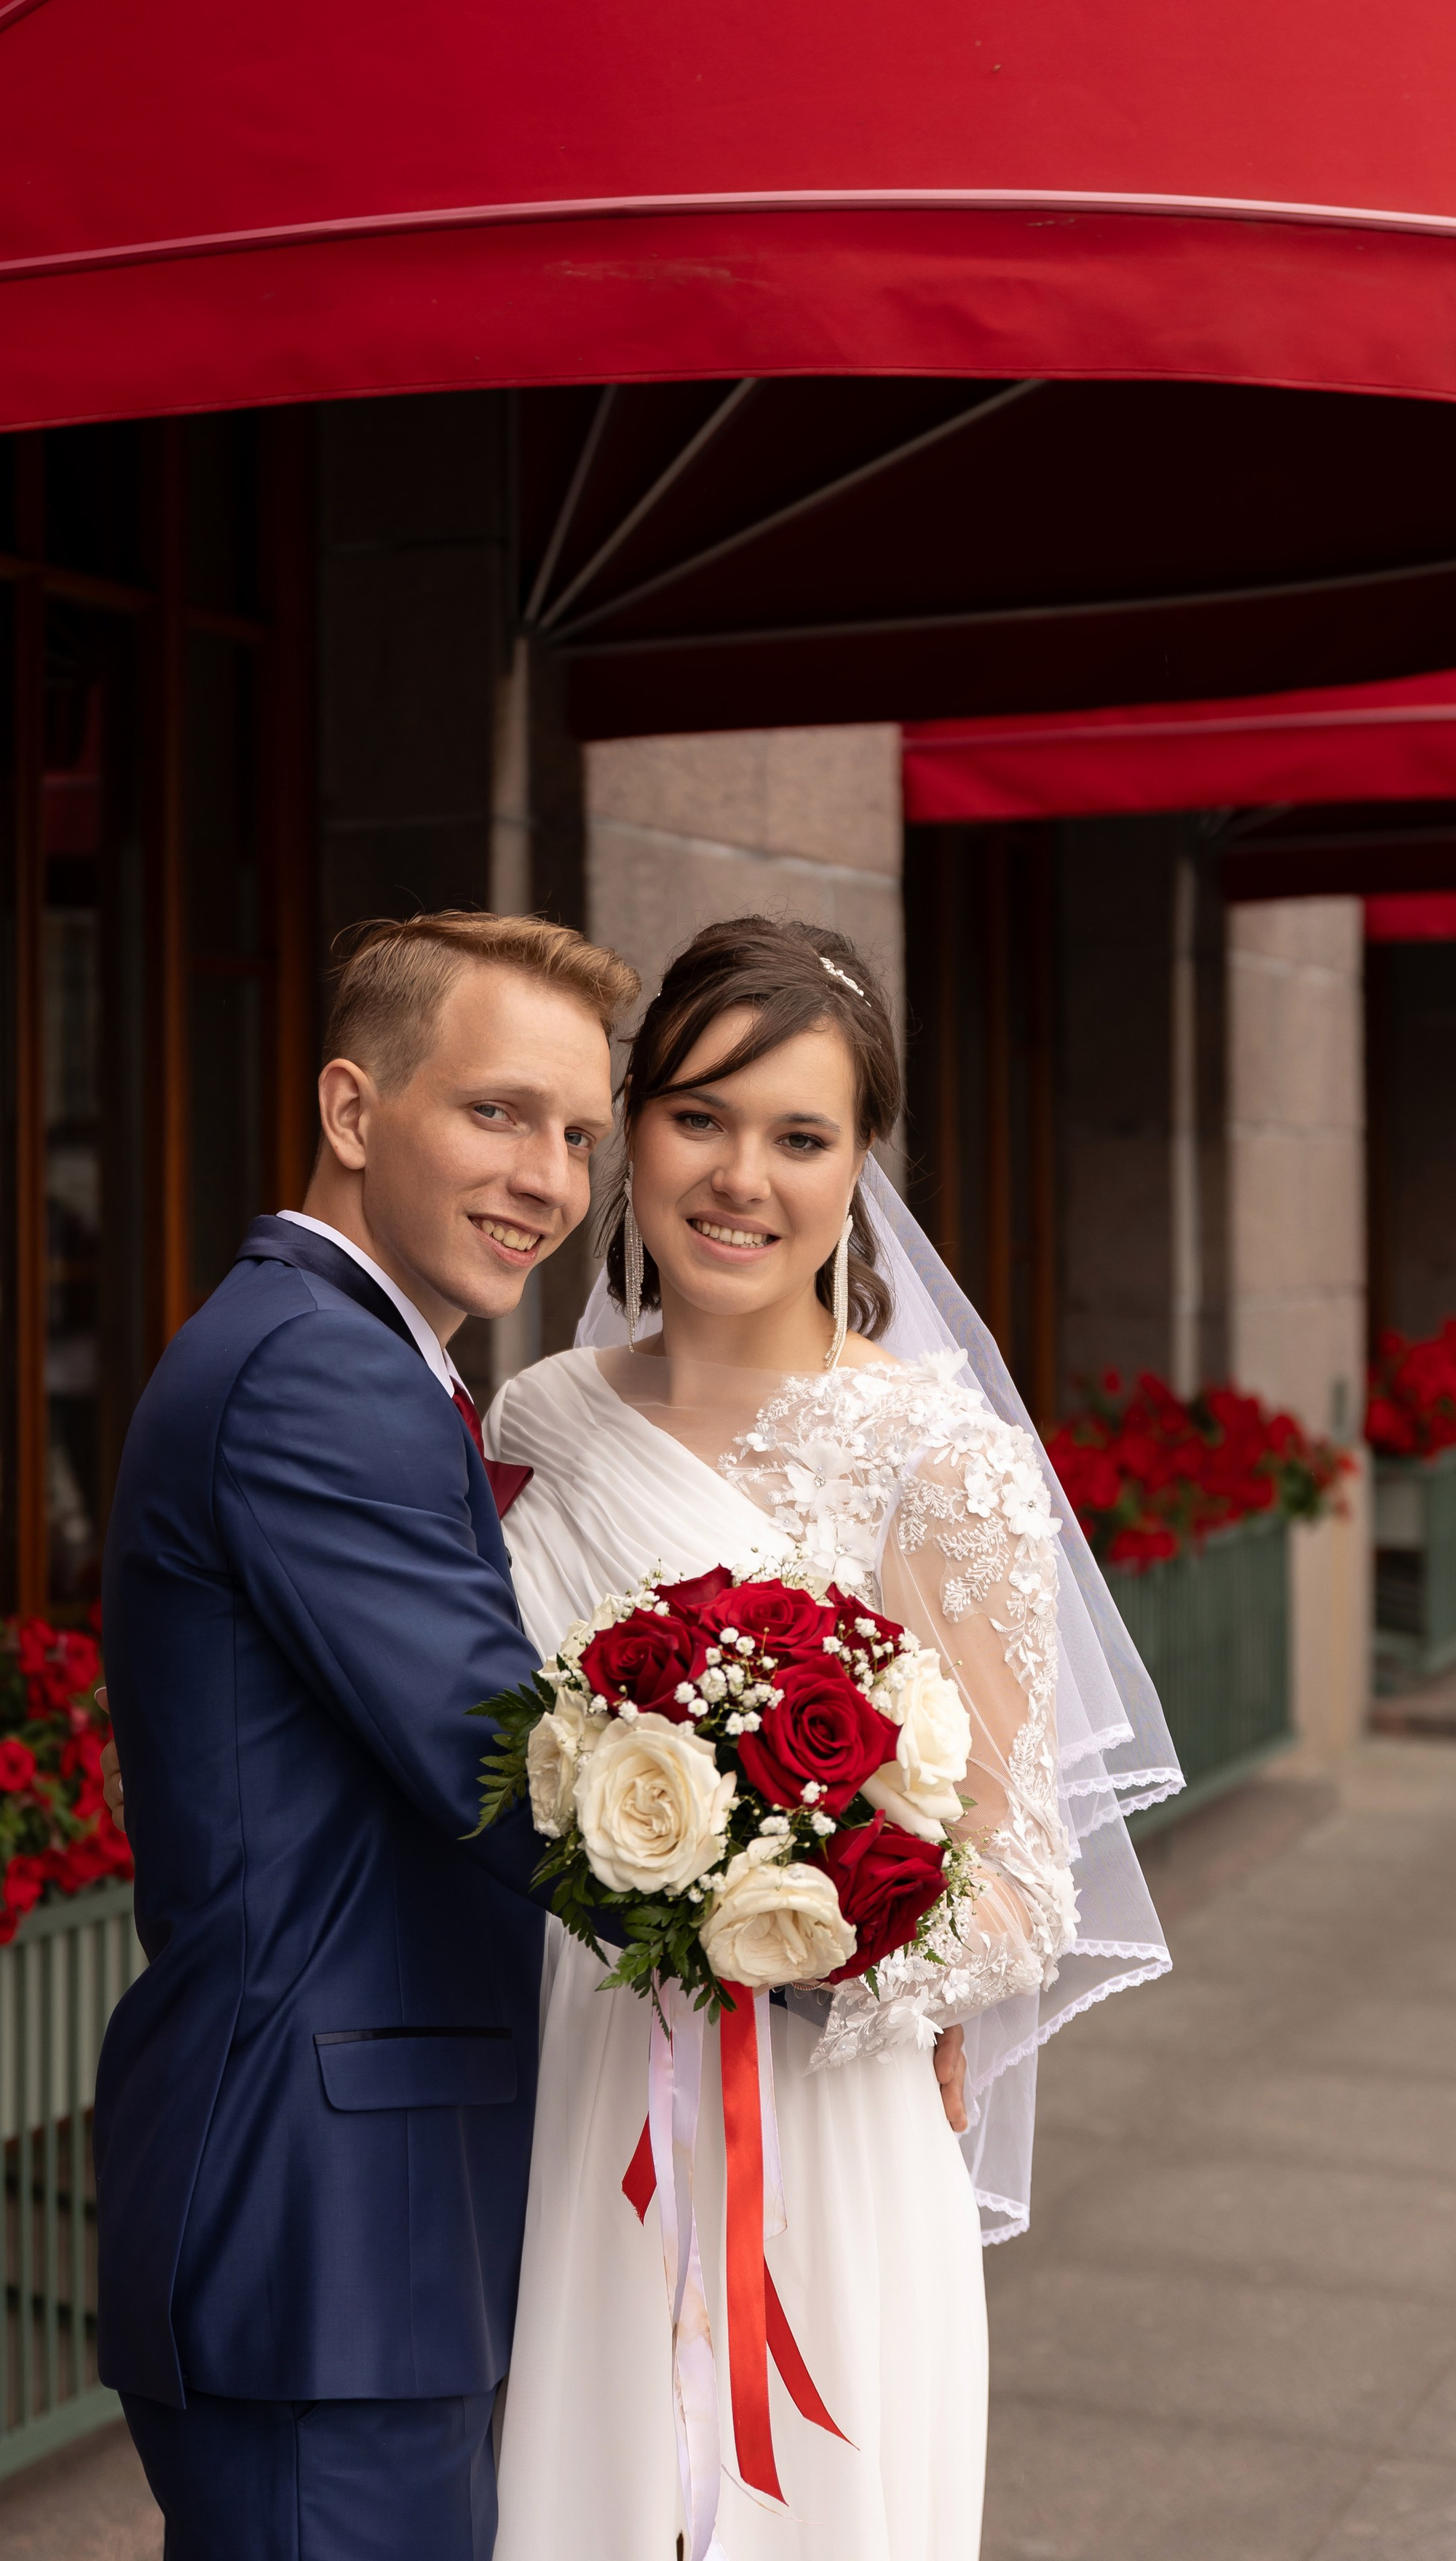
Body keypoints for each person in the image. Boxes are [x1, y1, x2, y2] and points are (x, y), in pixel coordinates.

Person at [484, 916, 1176, 2561]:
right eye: (697, 1115)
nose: (739, 1175)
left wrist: (785, 1925)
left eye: (798, 1134)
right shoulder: (535, 1419)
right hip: (577, 2091)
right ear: (631, 1129)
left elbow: (1020, 1888)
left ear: (857, 1165)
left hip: (824, 2129)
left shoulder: (936, 1461)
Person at [92, 911, 637, 2561]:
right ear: (349, 1112)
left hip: (367, 2201)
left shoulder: (353, 1361)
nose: (545, 1177)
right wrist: (839, 1907)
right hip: (323, 2215)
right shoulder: (313, 1373)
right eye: (494, 1111)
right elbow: (510, 1770)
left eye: (575, 1134)